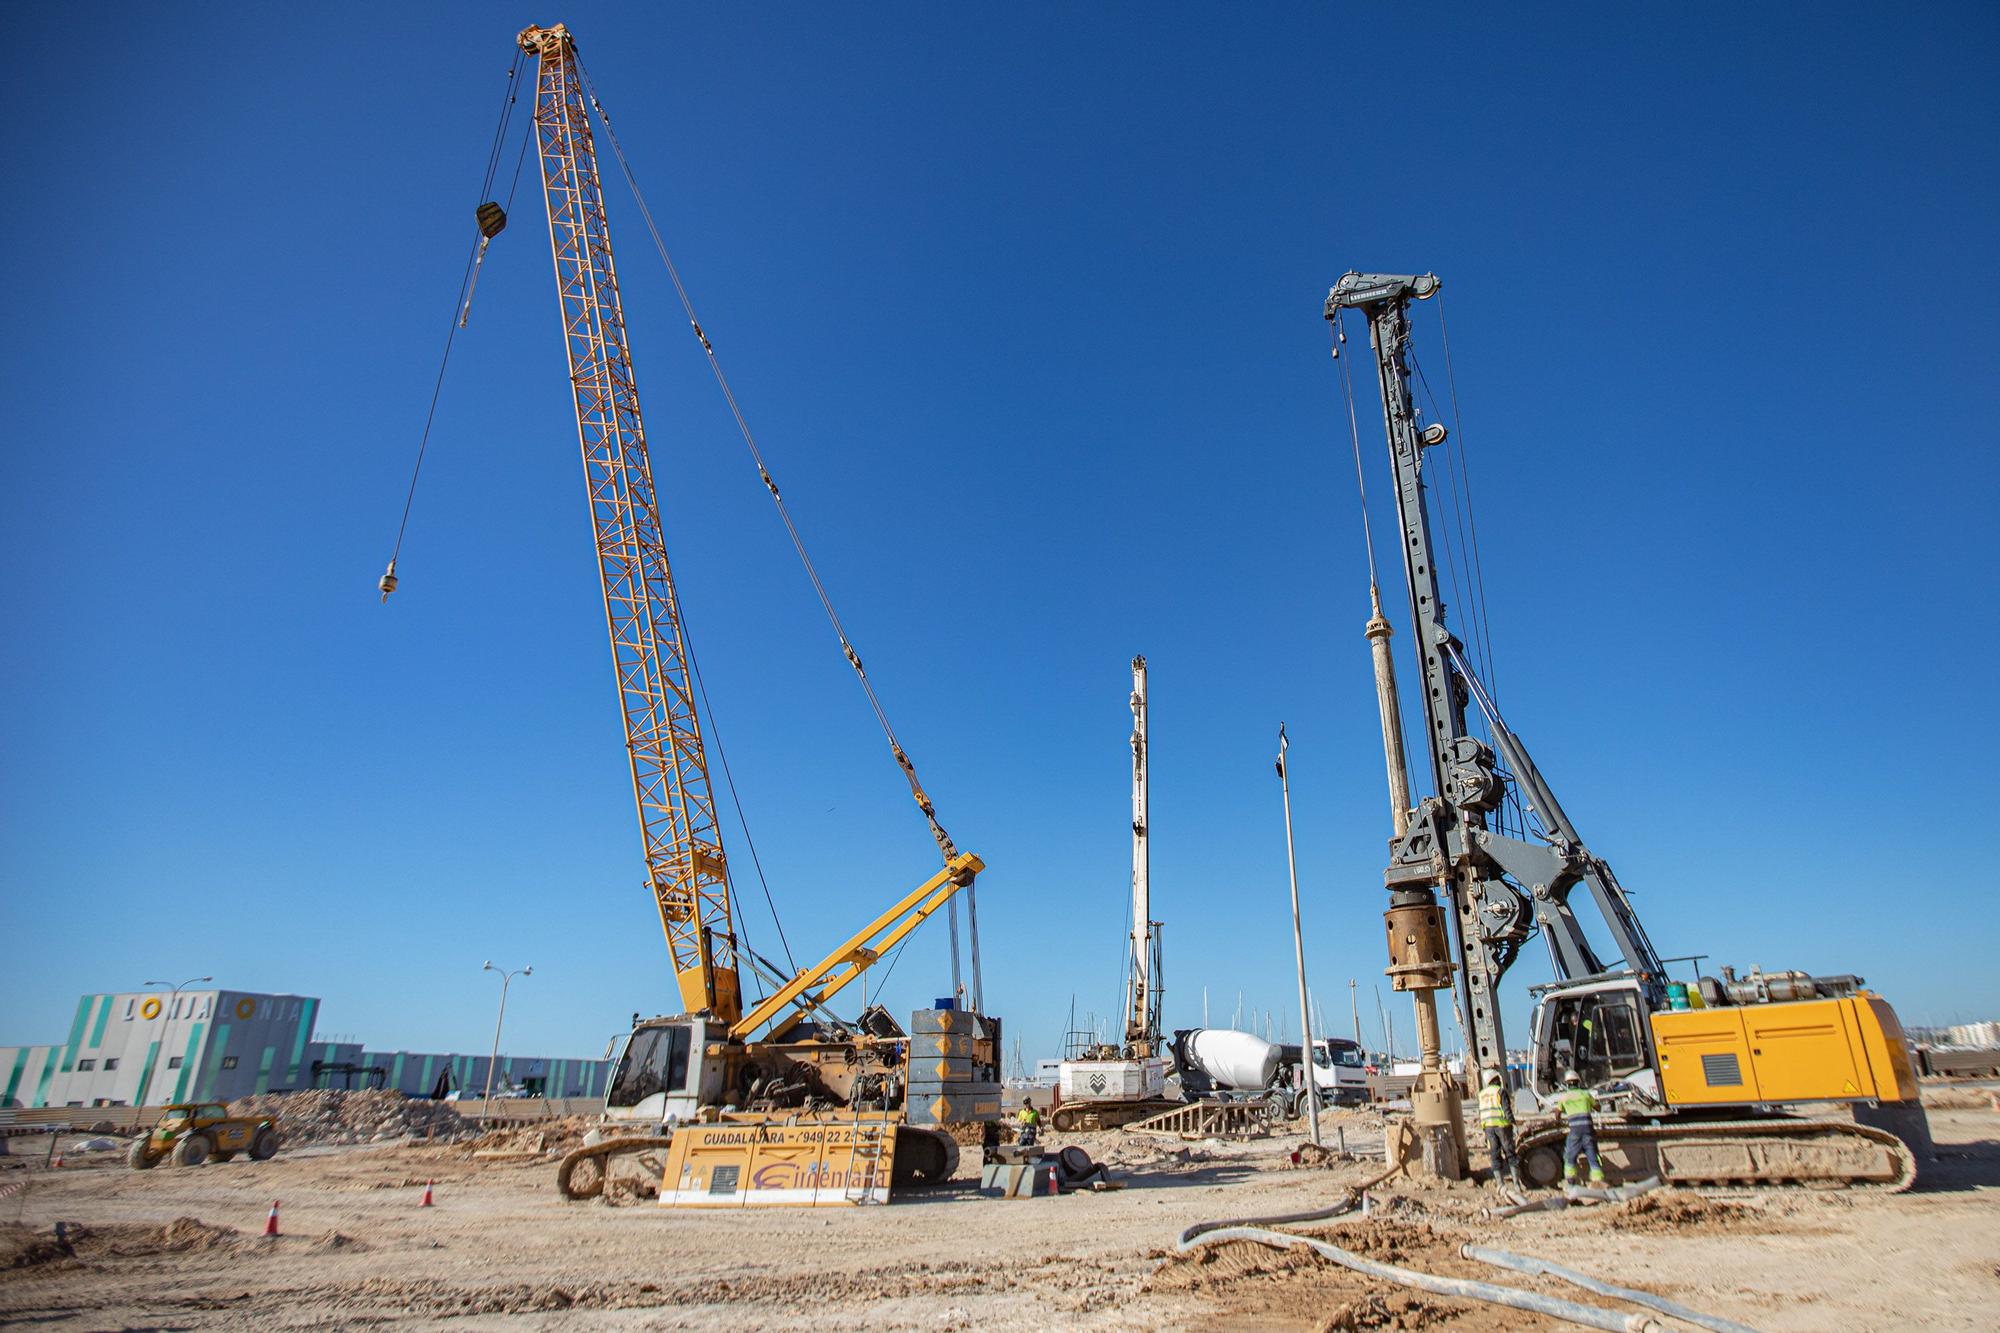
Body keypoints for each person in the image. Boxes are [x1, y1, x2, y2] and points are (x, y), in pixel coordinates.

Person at [1555, 1069, 1606, 1184]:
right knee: (1592, 1156)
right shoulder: (1585, 1094)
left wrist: (1559, 1119)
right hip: (1588, 1130)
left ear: (1567, 1084)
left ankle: (1571, 1184)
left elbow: (1557, 1113)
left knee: (1570, 1157)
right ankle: (1598, 1182)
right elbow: (1598, 1108)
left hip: (1575, 1131)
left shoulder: (1564, 1097)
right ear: (1578, 1082)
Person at [1476, 1070, 1520, 1188]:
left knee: (1494, 1154)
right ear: (1494, 1079)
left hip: (1488, 1127)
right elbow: (1506, 1109)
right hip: (1502, 1126)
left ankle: (1500, 1184)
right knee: (1510, 1152)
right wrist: (1513, 1124)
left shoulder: (1481, 1094)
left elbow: (1481, 1112)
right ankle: (1516, 1184)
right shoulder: (1499, 1091)